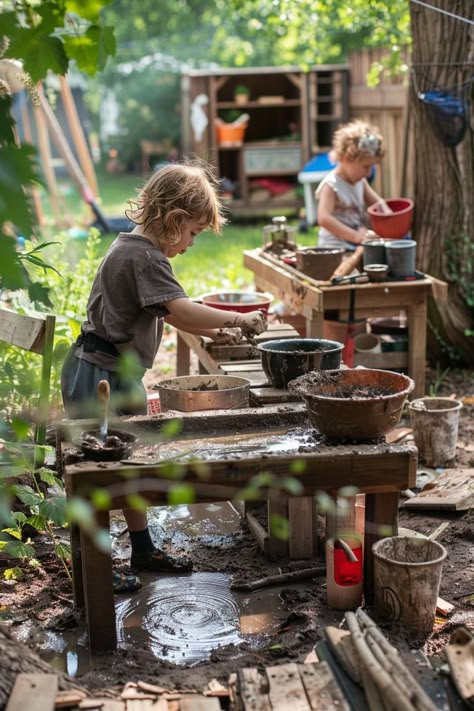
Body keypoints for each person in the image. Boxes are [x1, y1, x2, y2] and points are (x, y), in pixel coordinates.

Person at [61, 159, 267, 592]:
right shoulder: (145, 257)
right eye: (192, 232)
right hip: (101, 379)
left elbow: (178, 319)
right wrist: (237, 319)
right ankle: (95, 566)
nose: (192, 244)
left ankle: (141, 548)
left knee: (130, 467)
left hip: (108, 371)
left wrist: (221, 328)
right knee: (99, 474)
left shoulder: (133, 248)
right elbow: (183, 310)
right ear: (174, 221)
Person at [316, 120, 386, 252]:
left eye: (371, 167)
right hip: (333, 249)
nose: (369, 172)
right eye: (365, 167)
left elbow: (377, 204)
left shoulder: (360, 182)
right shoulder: (331, 185)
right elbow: (323, 218)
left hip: (355, 246)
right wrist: (355, 236)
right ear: (346, 159)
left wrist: (391, 217)